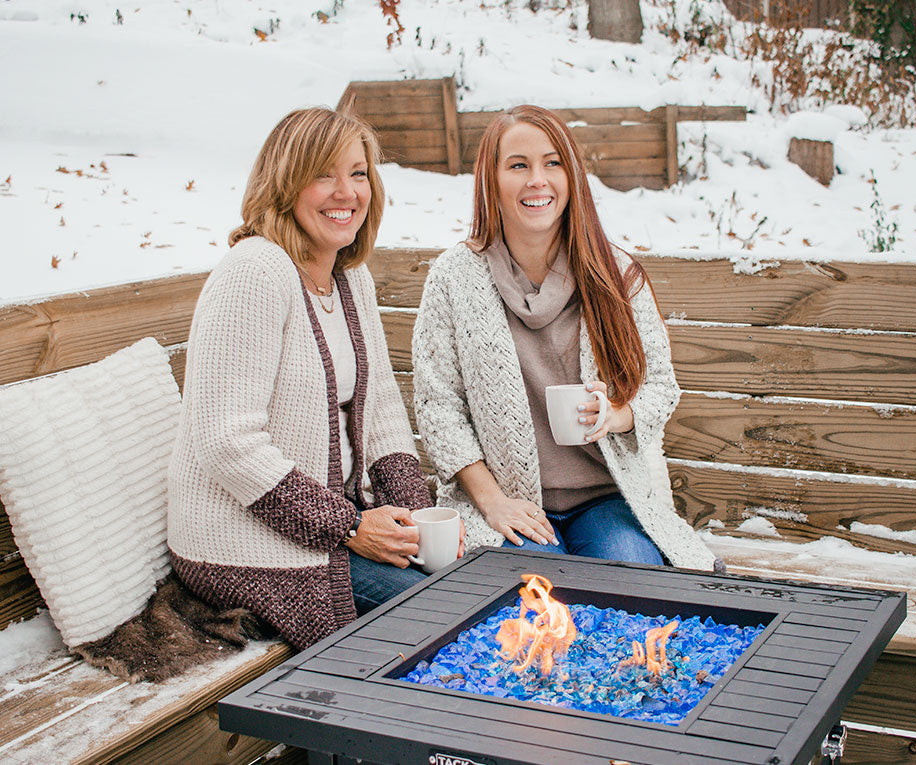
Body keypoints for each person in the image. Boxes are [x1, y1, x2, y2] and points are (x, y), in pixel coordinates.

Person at [168, 108, 459, 650]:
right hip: (243, 542)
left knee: (457, 585)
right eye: (323, 174)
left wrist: (417, 519)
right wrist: (348, 527)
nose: (346, 192)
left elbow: (383, 413)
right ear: (284, 183)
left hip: (329, 524)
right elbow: (227, 442)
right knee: (437, 615)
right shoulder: (254, 273)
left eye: (358, 173)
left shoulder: (349, 277)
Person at [412, 104, 721, 572]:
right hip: (507, 501)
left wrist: (618, 415)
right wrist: (493, 502)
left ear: (571, 176)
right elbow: (439, 407)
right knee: (539, 594)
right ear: (491, 181)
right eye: (519, 165)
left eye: (552, 163)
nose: (537, 180)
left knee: (631, 585)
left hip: (607, 499)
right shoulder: (454, 277)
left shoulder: (615, 274)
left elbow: (660, 385)